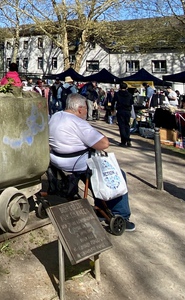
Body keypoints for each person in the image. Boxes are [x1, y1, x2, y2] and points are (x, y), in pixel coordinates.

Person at [48, 93, 135, 231]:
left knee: (96, 174)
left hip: (57, 161)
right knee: (117, 175)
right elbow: (104, 143)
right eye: (86, 109)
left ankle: (101, 206)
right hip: (77, 163)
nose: (87, 112)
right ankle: (121, 215)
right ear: (80, 109)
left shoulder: (55, 116)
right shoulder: (78, 123)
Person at [115, 82, 134, 147]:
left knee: (121, 126)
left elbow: (113, 101)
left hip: (120, 110)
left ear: (120, 87)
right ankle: (127, 139)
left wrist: (113, 108)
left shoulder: (117, 94)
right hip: (127, 111)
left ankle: (124, 141)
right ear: (126, 88)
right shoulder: (130, 95)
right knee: (127, 125)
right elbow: (132, 103)